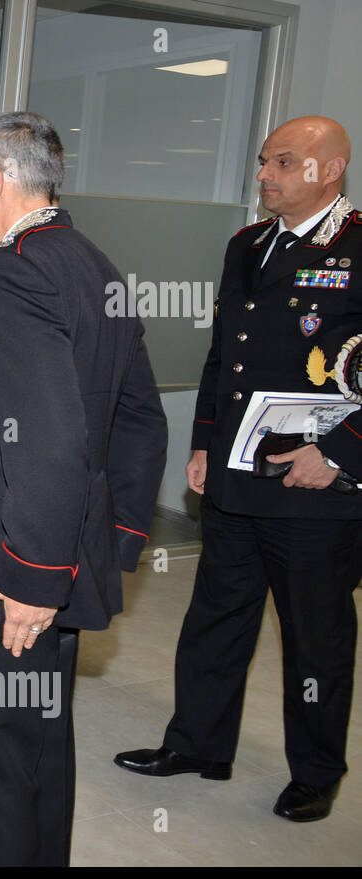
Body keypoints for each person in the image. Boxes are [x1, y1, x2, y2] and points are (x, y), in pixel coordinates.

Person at [0, 112, 167, 866]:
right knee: (35, 754)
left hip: (6, 579)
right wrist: (108, 544)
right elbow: (139, 422)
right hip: (58, 559)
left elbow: (50, 438)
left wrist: (31, 578)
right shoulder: (93, 263)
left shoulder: (15, 272)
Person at [115, 116, 362, 823]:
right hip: (237, 475)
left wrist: (340, 453)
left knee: (315, 638)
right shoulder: (247, 245)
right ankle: (198, 744)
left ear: (329, 169)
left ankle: (317, 772)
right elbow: (225, 357)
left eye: (282, 162)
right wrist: (203, 443)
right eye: (263, 162)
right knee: (216, 619)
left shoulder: (358, 247)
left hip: (317, 488)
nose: (264, 174)